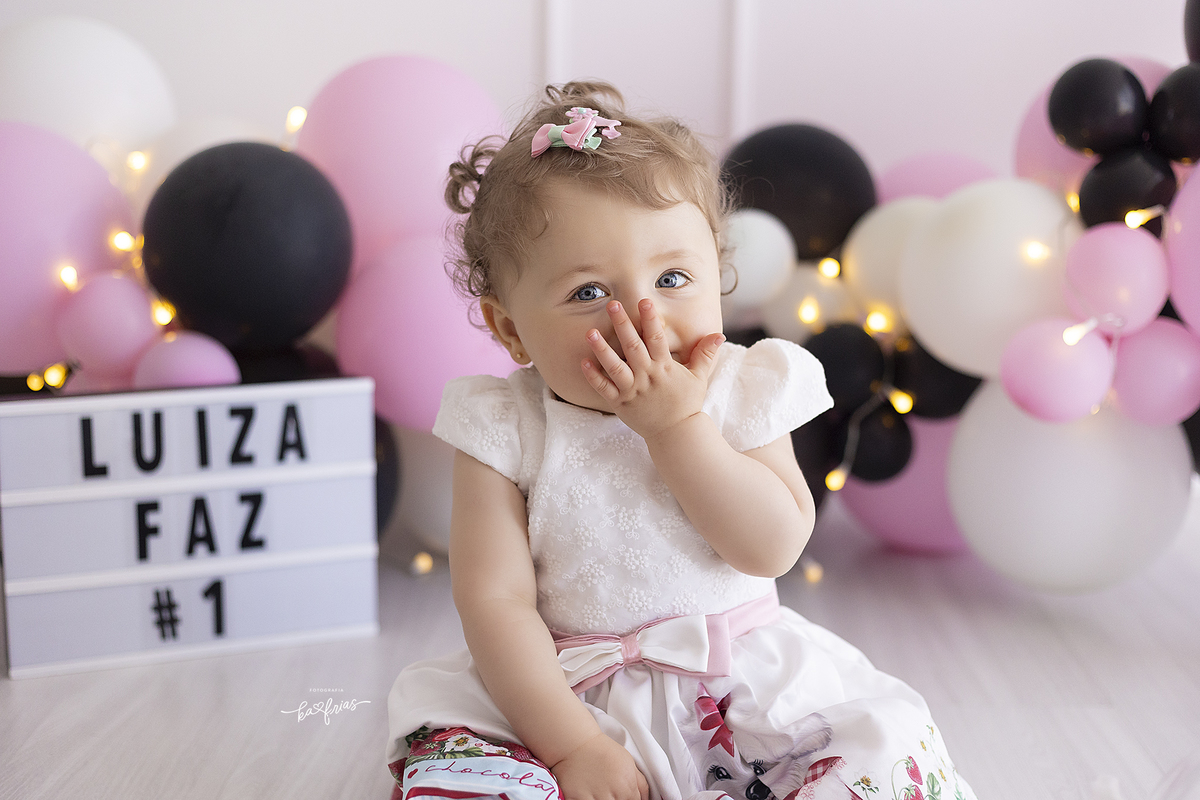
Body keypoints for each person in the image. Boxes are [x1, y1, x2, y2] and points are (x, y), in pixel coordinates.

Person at [387, 82, 976, 800]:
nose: (643, 317)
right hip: (562, 696)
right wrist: (571, 747)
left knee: (877, 763)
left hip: (744, 696)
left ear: (717, 283)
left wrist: (676, 429)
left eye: (672, 278)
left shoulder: (742, 388)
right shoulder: (504, 426)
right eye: (586, 292)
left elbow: (771, 546)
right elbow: (495, 603)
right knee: (462, 779)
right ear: (511, 329)